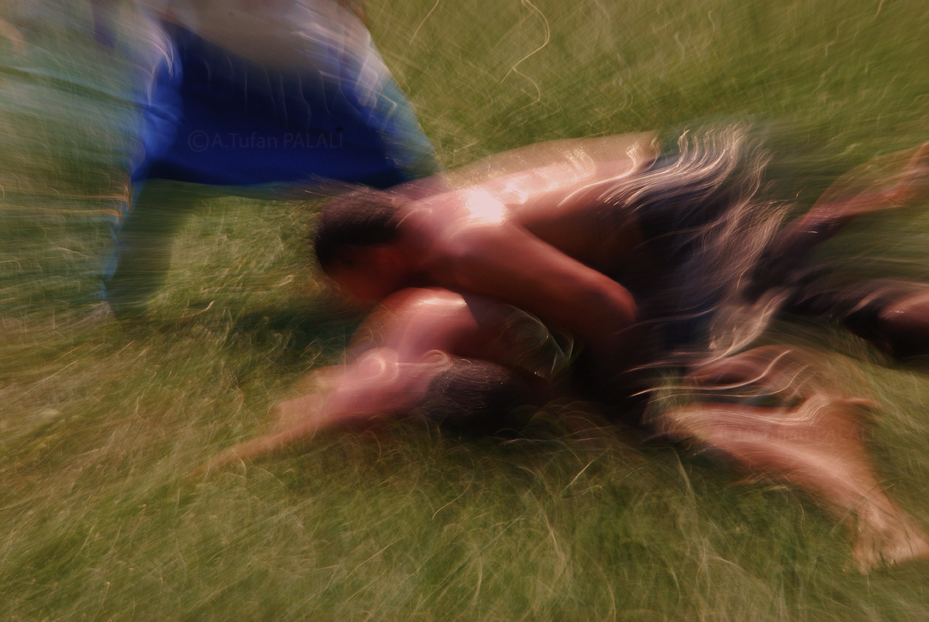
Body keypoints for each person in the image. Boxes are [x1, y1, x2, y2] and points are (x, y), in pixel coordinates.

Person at [312, 129, 929, 385]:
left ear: (373, 259)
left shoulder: (462, 247)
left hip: (676, 210)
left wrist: (627, 415)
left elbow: (606, 306)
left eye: (346, 283)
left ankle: (891, 305)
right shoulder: (426, 209)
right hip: (678, 172)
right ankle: (886, 197)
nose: (350, 299)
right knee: (777, 288)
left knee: (702, 356)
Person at [90, 0, 440, 315]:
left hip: (302, 68)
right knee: (165, 174)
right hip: (209, 68)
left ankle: (435, 263)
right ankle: (124, 296)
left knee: (391, 173)